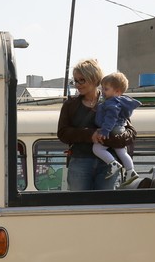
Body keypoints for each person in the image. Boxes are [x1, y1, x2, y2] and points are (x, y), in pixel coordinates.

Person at [57, 59, 137, 191]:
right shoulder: (70, 105)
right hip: (80, 161)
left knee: (105, 206)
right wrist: (91, 135)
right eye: (75, 80)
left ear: (94, 79)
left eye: (81, 80)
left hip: (109, 165)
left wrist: (108, 137)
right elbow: (63, 133)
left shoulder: (114, 101)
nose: (77, 84)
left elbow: (130, 133)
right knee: (80, 205)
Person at [91, 72, 141, 186]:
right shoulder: (120, 102)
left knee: (97, 149)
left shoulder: (112, 102)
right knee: (122, 152)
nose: (103, 91)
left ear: (117, 91)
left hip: (112, 129)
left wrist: (105, 131)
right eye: (102, 88)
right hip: (120, 129)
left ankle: (113, 163)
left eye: (106, 89)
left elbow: (111, 117)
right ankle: (130, 171)